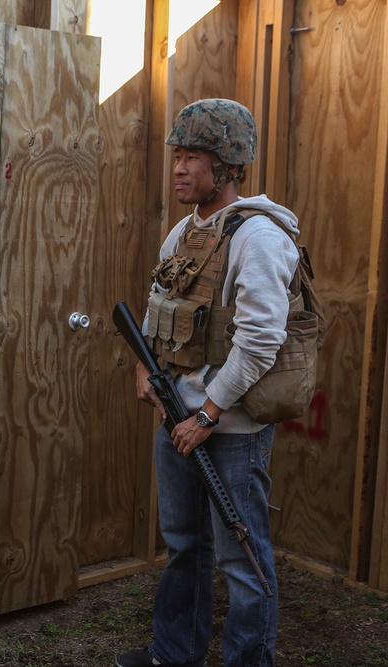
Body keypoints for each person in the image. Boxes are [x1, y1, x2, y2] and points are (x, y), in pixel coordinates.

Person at [115, 98, 299, 667]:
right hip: (180, 418)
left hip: (230, 428)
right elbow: (153, 309)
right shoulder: (184, 233)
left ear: (227, 165)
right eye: (178, 155)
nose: (179, 168)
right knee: (184, 546)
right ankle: (175, 653)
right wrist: (147, 368)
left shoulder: (259, 238)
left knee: (241, 559)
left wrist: (208, 415)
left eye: (192, 157)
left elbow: (260, 341)